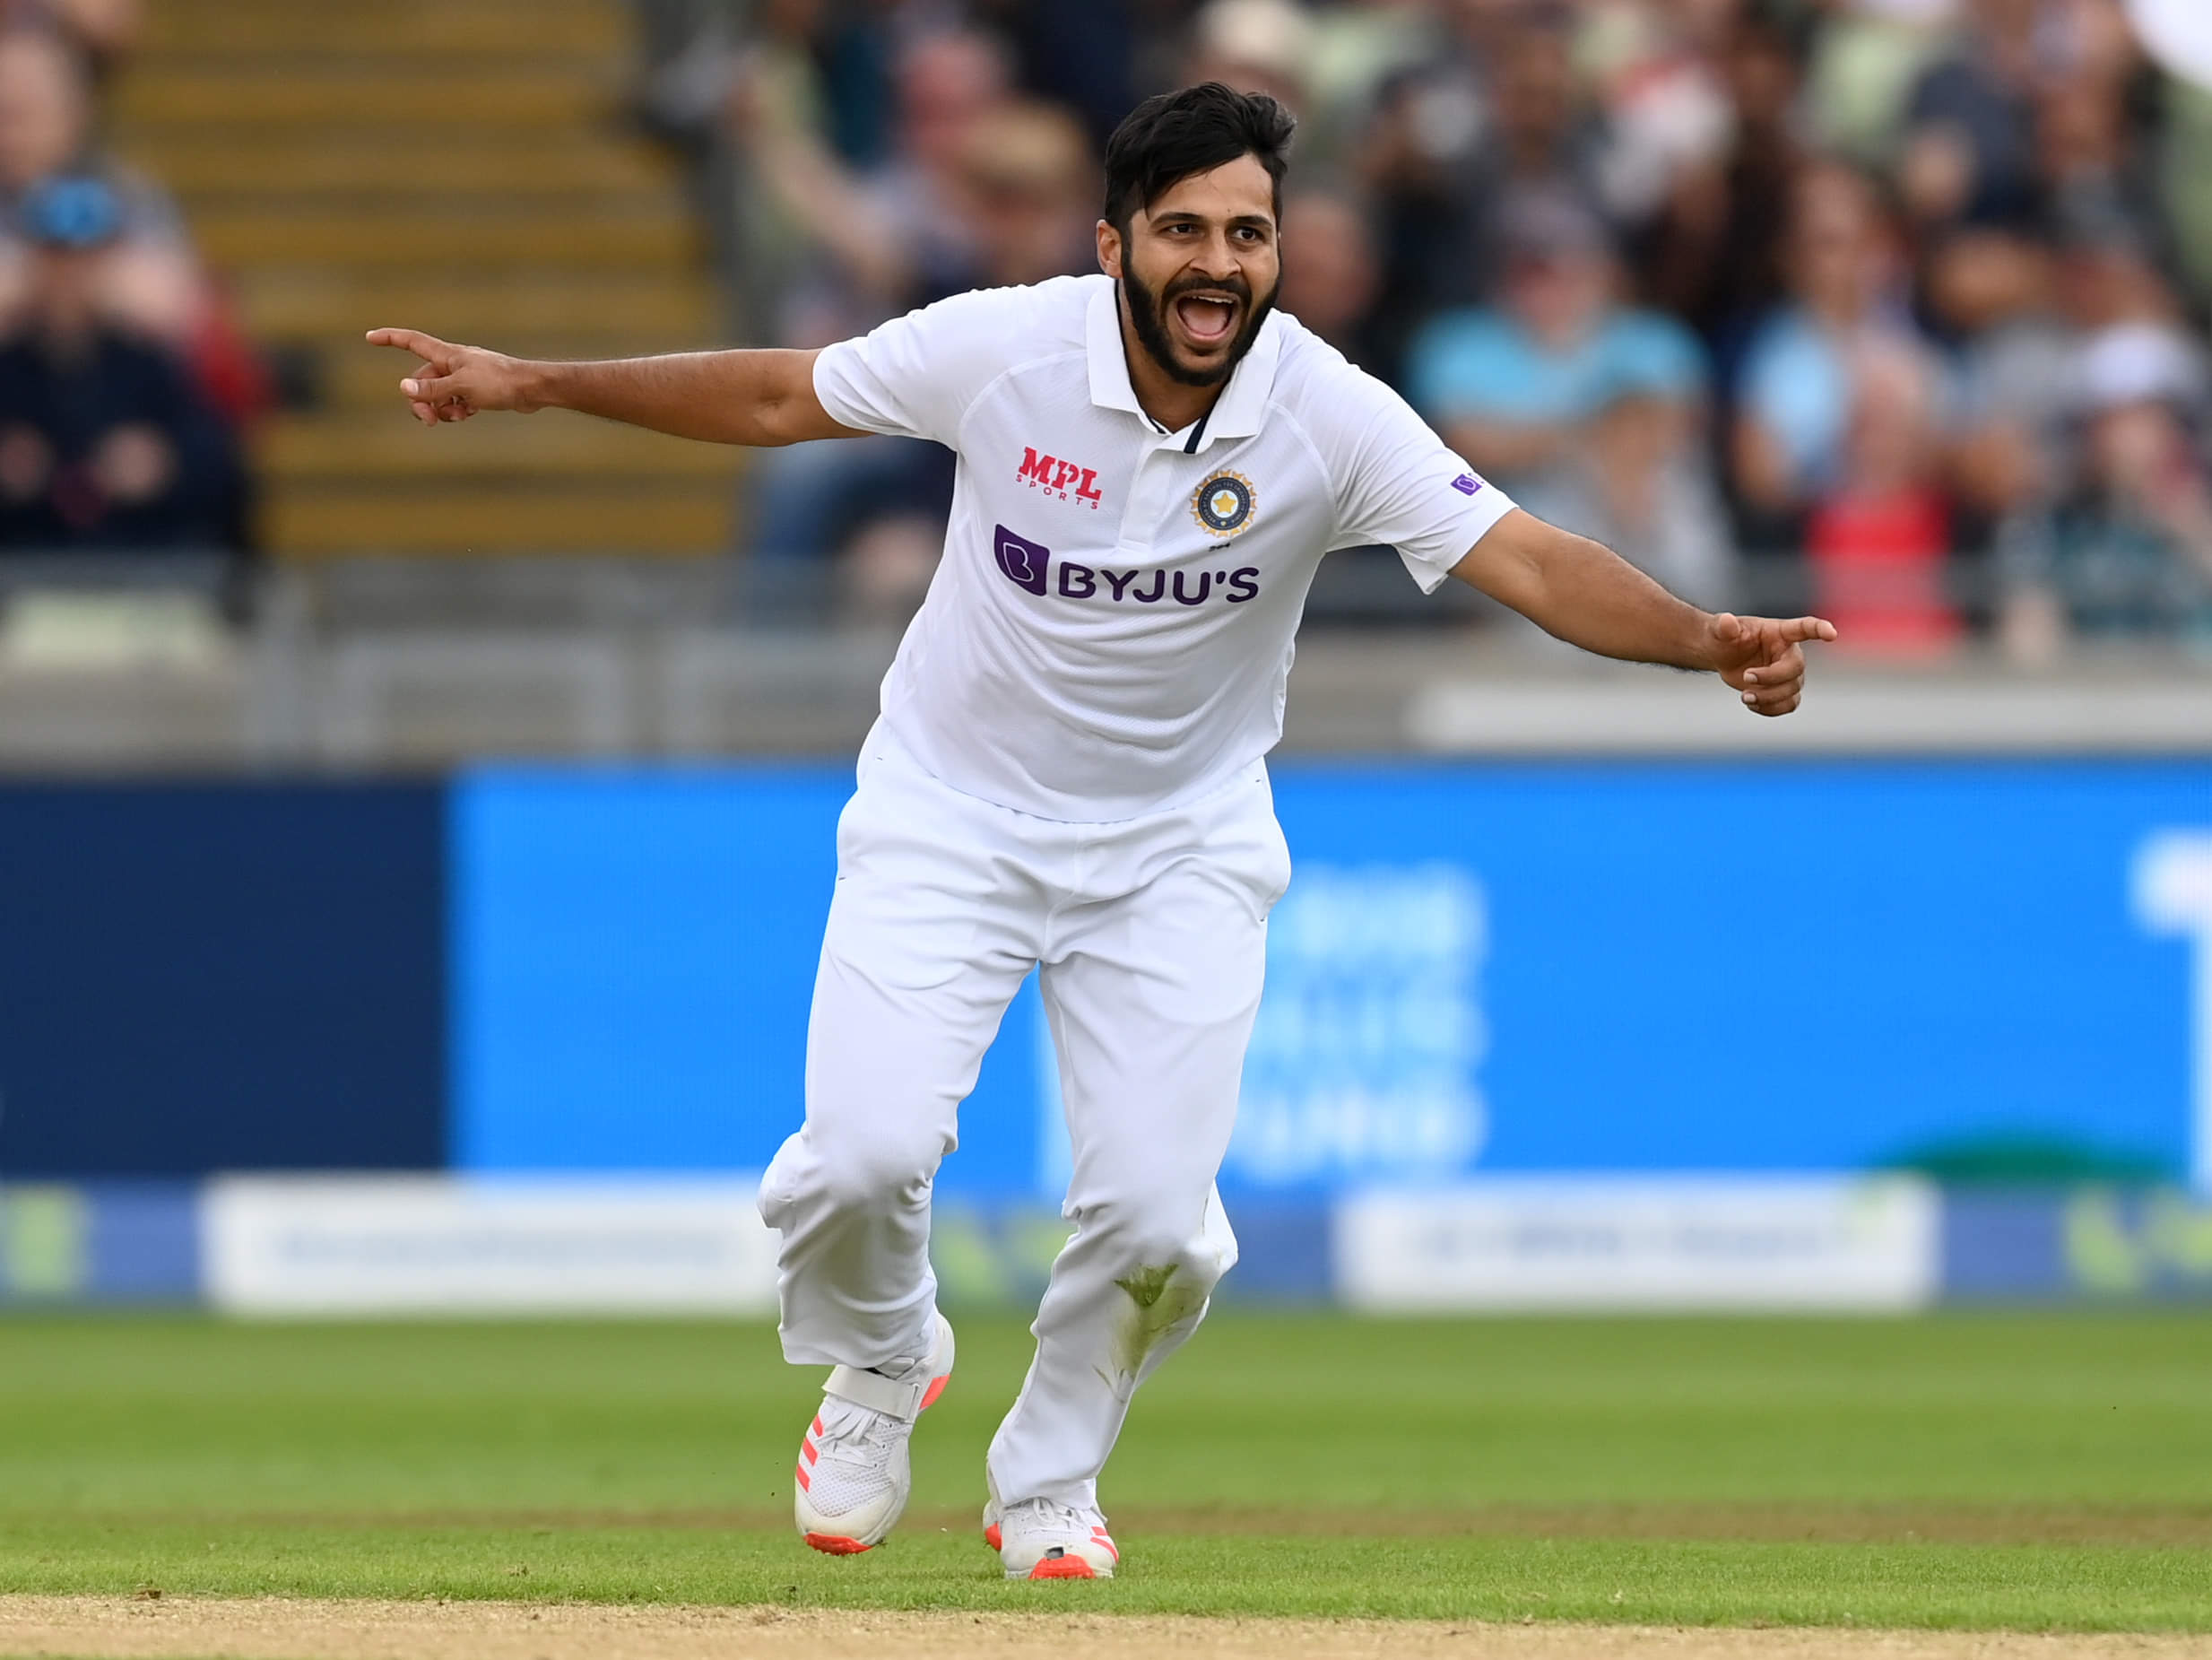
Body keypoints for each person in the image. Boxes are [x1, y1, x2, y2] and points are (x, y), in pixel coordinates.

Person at [369, 83, 1835, 1583]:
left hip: (1176, 851)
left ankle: (1048, 1484)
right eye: (1184, 230)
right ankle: (882, 1360)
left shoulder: (1324, 411)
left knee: (1156, 1226)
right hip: (948, 817)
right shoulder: (1004, 350)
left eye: (1248, 234)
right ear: (1114, 241)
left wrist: (1699, 640)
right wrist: (535, 383)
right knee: (860, 1162)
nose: (1218, 265)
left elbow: (1521, 553)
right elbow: (772, 398)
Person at [0, 174, 241, 552]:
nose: (71, 276)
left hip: (138, 568)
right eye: (56, 257)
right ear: (33, 262)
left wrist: (165, 463)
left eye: (86, 258)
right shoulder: (9, 368)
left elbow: (223, 469)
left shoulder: (151, 364)